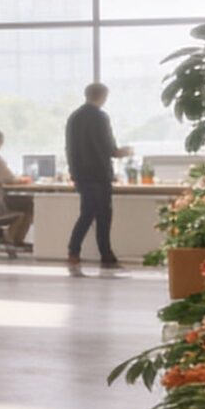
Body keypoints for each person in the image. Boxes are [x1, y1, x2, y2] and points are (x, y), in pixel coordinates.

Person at [65, 82, 131, 275]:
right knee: (101, 215)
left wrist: (73, 172)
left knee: (88, 213)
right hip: (99, 174)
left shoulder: (74, 117)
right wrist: (124, 152)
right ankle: (95, 254)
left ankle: (85, 253)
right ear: (102, 97)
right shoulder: (100, 117)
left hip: (80, 174)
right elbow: (109, 148)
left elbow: (70, 148)